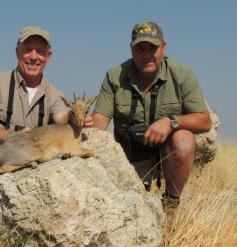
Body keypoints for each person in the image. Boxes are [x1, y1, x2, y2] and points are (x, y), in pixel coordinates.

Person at [85, 21, 211, 206]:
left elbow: (205, 121)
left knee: (184, 140)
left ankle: (171, 205)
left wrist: (170, 122)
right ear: (131, 50)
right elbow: (99, 122)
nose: (147, 55)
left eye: (153, 48)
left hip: (168, 154)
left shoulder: (182, 74)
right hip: (130, 156)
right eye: (140, 48)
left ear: (163, 48)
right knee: (129, 206)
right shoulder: (114, 76)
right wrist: (78, 122)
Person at [0, 26, 69, 179]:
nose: (34, 57)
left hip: (35, 159)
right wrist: (14, 138)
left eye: (40, 52)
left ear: (48, 56)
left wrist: (77, 117)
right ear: (17, 52)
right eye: (28, 50)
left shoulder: (55, 95)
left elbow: (62, 117)